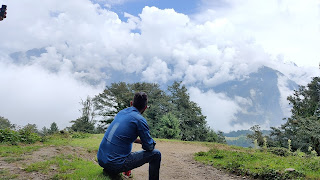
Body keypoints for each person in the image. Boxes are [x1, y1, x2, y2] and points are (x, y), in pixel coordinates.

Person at [97, 92, 161, 180]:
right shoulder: (140, 120)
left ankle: (110, 169)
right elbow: (149, 147)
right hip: (115, 163)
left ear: (131, 103)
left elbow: (122, 136)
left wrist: (140, 141)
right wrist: (151, 142)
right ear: (145, 108)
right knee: (156, 154)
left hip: (101, 159)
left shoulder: (121, 113)